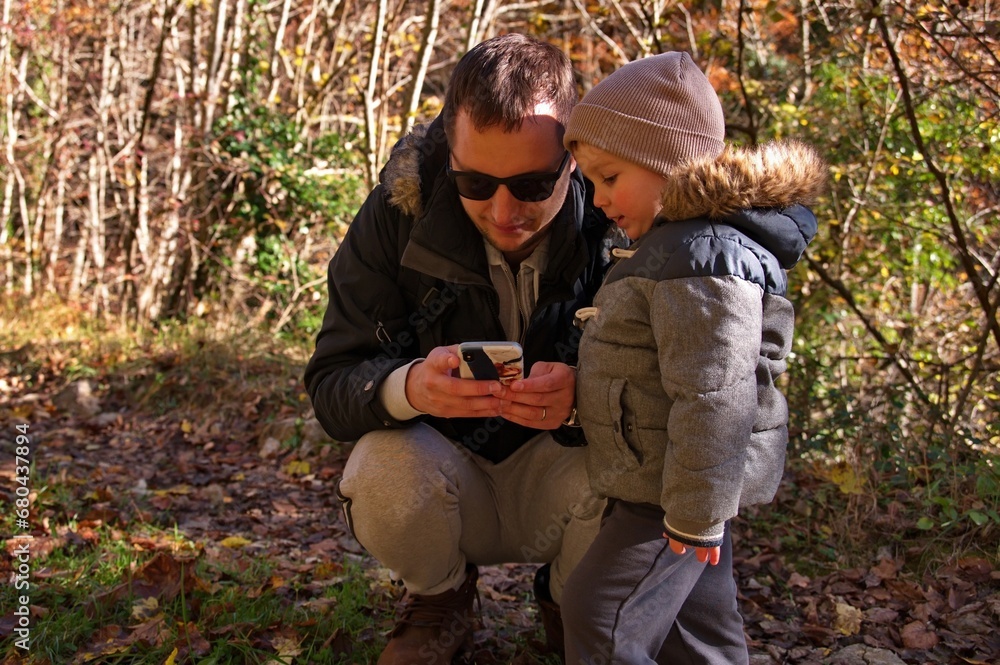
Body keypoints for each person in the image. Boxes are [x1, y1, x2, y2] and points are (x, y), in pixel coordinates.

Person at [305, 33, 624, 663]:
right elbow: (333, 384)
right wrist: (409, 387)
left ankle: (573, 605)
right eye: (475, 182)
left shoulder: (622, 216)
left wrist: (586, 399)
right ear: (449, 153)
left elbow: (681, 394)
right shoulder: (400, 212)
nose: (503, 210)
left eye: (532, 184)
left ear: (574, 160)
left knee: (646, 467)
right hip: (449, 474)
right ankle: (440, 602)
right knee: (379, 468)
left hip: (570, 476)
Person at [559, 51, 825, 663]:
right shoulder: (671, 248)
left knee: (600, 615)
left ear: (668, 164)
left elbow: (716, 396)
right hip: (670, 485)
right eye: (591, 181)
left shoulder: (700, 258)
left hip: (671, 496)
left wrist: (696, 517)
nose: (597, 199)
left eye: (609, 177)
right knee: (696, 632)